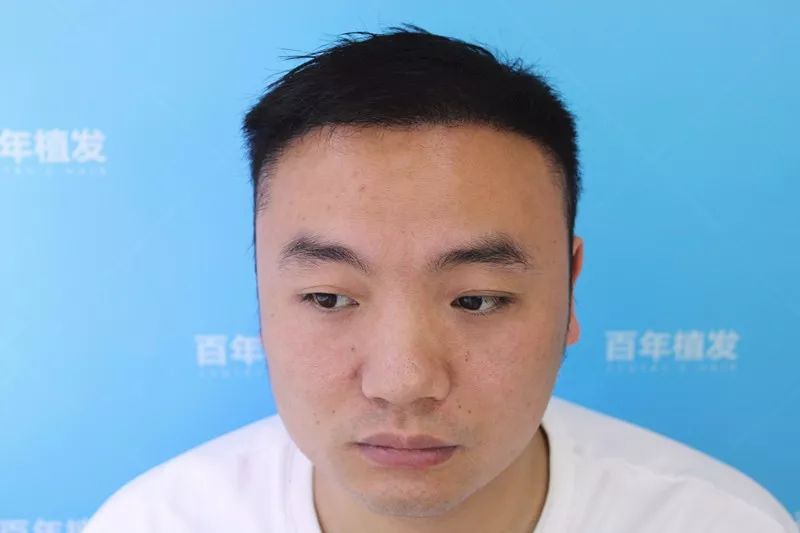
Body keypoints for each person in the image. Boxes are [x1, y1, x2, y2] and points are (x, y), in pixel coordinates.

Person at [84, 26, 797, 533]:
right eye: (328, 297)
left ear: (570, 290)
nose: (403, 382)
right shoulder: (158, 521)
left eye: (477, 299)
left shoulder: (717, 521)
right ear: (263, 295)